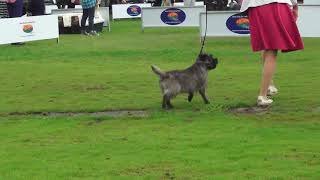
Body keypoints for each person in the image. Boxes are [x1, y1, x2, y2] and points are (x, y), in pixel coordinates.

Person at [240, 0, 304, 106]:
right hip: (274, 5)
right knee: (272, 49)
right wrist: (295, 4)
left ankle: (269, 85)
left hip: (254, 7)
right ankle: (262, 96)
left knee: (266, 46)